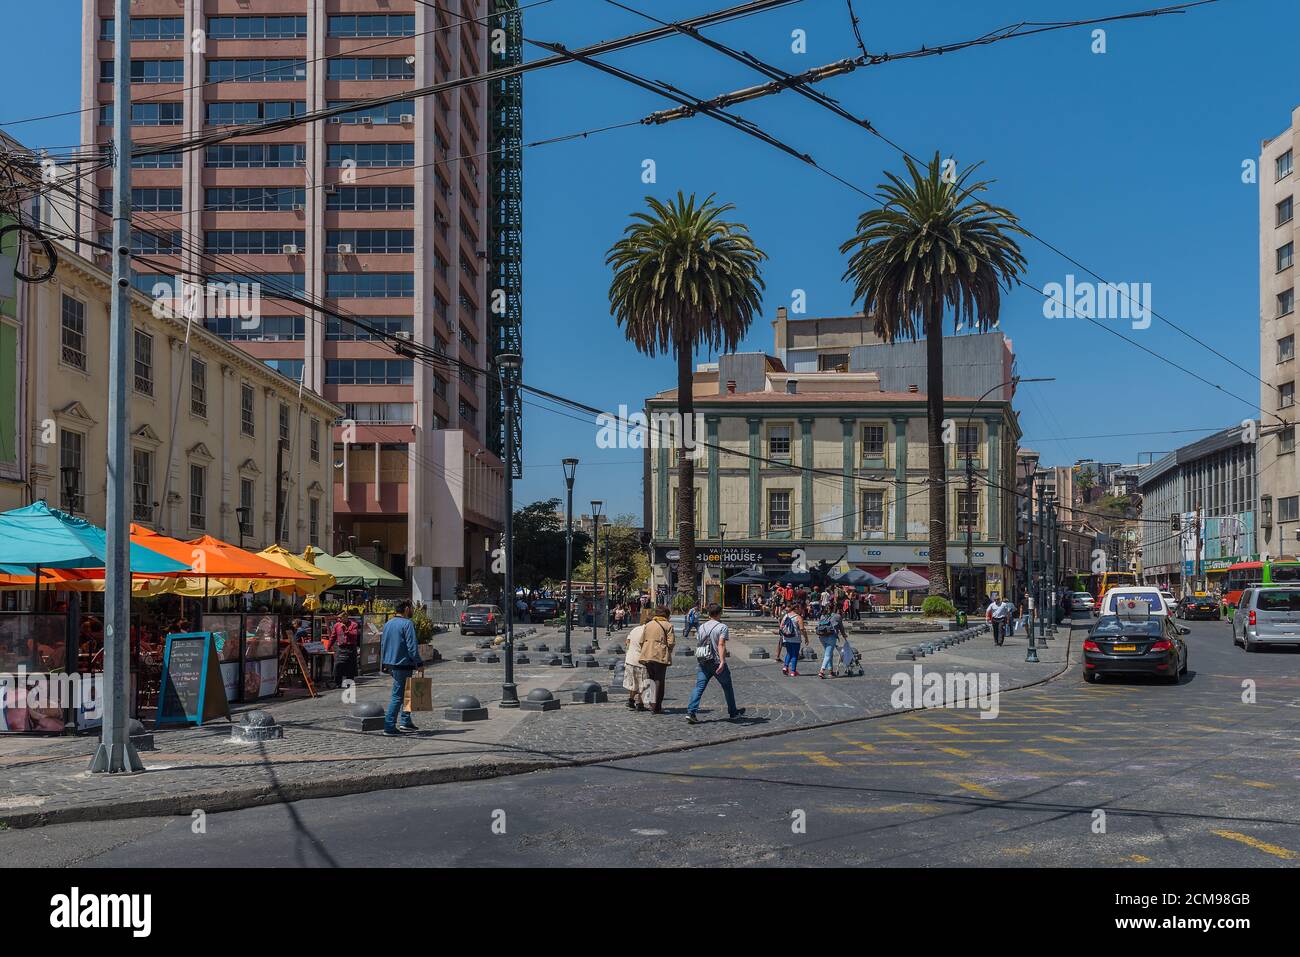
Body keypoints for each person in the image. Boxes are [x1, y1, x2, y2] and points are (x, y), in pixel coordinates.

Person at [686, 603, 745, 724]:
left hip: (703, 660)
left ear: (708, 613)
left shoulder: (701, 627)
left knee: (699, 687)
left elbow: (699, 641)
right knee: (727, 686)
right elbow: (721, 644)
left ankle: (691, 712)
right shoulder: (722, 627)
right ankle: (733, 713)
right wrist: (722, 661)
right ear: (719, 613)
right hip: (716, 661)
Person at [380, 600, 422, 735]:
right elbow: (412, 647)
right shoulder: (407, 623)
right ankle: (389, 726)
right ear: (406, 609)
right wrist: (419, 663)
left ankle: (406, 721)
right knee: (398, 696)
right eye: (411, 608)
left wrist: (384, 663)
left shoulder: (388, 623)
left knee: (408, 693)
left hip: (391, 663)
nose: (413, 611)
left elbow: (383, 644)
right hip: (403, 663)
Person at [637, 605, 675, 714]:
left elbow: (641, 640)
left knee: (650, 678)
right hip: (660, 654)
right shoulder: (668, 625)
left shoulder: (648, 625)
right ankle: (656, 706)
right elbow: (671, 642)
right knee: (659, 679)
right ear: (666, 614)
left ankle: (650, 703)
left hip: (647, 655)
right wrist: (667, 650)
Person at [622, 616, 649, 711]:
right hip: (640, 661)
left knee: (633, 682)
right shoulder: (647, 632)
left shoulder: (635, 629)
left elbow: (627, 642)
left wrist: (629, 651)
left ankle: (631, 700)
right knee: (642, 683)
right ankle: (640, 703)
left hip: (630, 659)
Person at [814, 602, 846, 679]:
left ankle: (831, 671)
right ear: (834, 608)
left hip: (822, 636)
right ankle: (822, 671)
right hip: (831, 636)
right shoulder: (837, 616)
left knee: (829, 654)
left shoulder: (822, 616)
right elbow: (841, 628)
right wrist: (844, 635)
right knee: (828, 654)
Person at [777, 603, 806, 677]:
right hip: (795, 638)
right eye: (800, 609)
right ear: (796, 609)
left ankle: (785, 667)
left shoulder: (786, 615)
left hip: (786, 638)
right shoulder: (798, 617)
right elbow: (802, 629)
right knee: (795, 654)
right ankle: (793, 671)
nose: (801, 610)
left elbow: (781, 626)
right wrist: (806, 638)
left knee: (789, 653)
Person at [333, 613, 360, 687]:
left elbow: (354, 634)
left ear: (345, 617)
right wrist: (328, 646)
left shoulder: (354, 624)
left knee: (350, 667)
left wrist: (346, 630)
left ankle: (349, 683)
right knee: (338, 666)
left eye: (340, 618)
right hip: (341, 647)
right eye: (338, 618)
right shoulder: (337, 625)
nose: (339, 620)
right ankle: (338, 683)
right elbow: (333, 636)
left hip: (350, 647)